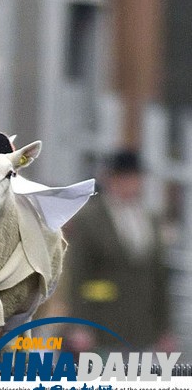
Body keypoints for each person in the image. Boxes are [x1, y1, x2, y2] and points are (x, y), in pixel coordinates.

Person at [64, 150, 171, 353]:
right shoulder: (90, 219)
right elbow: (78, 274)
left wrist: (165, 329)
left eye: (135, 177)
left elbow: (159, 278)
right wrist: (79, 325)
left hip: (143, 329)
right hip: (103, 326)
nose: (131, 183)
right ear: (111, 179)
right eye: (124, 177)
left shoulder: (150, 219)